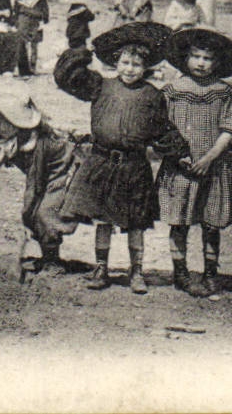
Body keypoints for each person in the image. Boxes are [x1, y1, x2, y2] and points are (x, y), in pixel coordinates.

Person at [55, 21, 189, 294]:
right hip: (101, 163)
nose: (130, 69)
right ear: (116, 63)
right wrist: (82, 52)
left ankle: (136, 271)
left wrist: (181, 154)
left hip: (134, 166)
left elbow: (162, 130)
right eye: (125, 63)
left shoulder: (151, 95)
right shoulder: (99, 86)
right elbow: (67, 76)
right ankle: (101, 267)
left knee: (135, 222)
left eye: (137, 65)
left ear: (147, 68)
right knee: (102, 220)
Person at [155, 28, 232, 298]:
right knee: (179, 220)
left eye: (207, 58)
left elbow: (228, 130)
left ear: (217, 62)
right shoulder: (171, 92)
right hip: (180, 166)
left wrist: (209, 158)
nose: (201, 63)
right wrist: (177, 155)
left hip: (213, 165)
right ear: (185, 59)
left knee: (211, 221)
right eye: (195, 56)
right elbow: (161, 128)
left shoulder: (225, 93)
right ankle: (181, 272)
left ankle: (210, 272)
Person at [0, 93, 80, 281]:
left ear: (16, 125)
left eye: (2, 122)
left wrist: (26, 214)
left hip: (68, 174)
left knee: (45, 213)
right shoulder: (17, 140)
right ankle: (47, 256)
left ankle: (53, 261)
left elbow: (34, 184)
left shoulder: (40, 144)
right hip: (49, 177)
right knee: (36, 212)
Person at [10, 0, 49, 74]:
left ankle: (32, 67)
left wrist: (26, 11)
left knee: (34, 46)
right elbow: (15, 15)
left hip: (35, 25)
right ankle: (24, 69)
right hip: (22, 26)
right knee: (23, 47)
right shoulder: (18, 1)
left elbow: (44, 14)